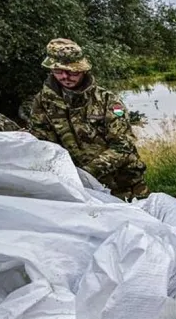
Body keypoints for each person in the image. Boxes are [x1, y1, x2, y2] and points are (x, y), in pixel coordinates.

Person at [29, 38, 148, 200]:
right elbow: (43, 146)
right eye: (58, 71)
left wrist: (87, 174)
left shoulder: (108, 101)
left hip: (123, 184)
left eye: (72, 72)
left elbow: (123, 146)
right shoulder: (42, 102)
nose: (65, 76)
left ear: (83, 70)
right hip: (74, 187)